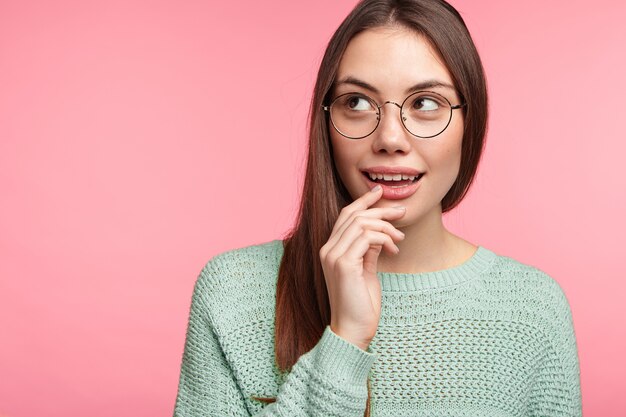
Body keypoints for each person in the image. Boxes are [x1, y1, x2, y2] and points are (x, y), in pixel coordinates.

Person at [173, 0, 582, 416]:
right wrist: (345, 340)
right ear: (325, 122)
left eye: (425, 103)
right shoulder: (233, 293)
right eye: (357, 102)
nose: (390, 138)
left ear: (469, 123)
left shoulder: (533, 308)